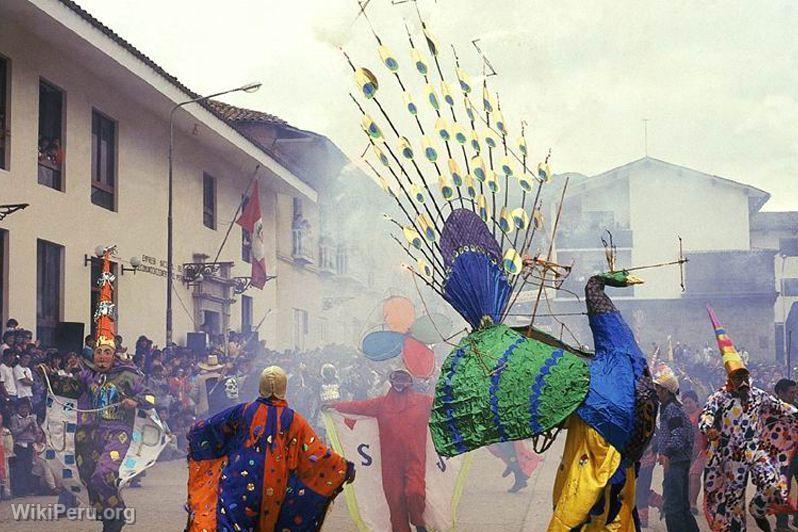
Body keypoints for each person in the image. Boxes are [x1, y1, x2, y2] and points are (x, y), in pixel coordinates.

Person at [37, 248, 157, 532]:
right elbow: (68, 388)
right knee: (91, 479)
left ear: (113, 353)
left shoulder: (127, 375)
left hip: (117, 432)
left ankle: (117, 513)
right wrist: (49, 377)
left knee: (105, 473)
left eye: (106, 352)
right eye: (99, 352)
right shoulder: (86, 374)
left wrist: (134, 401)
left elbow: (150, 396)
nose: (102, 356)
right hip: (87, 433)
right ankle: (109, 520)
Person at [185, 365, 355, 531]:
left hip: (238, 481)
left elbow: (209, 429)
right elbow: (315, 452)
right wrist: (343, 468)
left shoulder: (243, 410)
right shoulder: (293, 419)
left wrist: (193, 433)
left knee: (232, 523)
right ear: (284, 388)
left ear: (261, 387)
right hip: (273, 489)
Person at [699, 306, 798, 532]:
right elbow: (706, 416)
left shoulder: (757, 395)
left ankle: (758, 508)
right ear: (729, 377)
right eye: (737, 377)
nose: (742, 381)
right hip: (730, 454)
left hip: (754, 450)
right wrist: (708, 429)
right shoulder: (719, 397)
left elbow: (782, 407)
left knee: (773, 484)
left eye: (744, 376)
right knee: (734, 502)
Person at [329, 368, 432, 532]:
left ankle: (419, 523)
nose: (399, 383)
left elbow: (444, 406)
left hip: (414, 460)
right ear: (391, 381)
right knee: (395, 501)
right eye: (396, 379)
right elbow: (358, 407)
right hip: (391, 463)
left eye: (403, 379)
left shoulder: (423, 402)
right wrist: (336, 406)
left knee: (415, 492)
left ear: (410, 382)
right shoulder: (381, 404)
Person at [653, 368, 699, 532]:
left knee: (673, 508)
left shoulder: (672, 409)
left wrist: (666, 453)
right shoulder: (672, 408)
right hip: (680, 463)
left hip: (676, 464)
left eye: (658, 388)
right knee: (682, 507)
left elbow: (678, 436)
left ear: (666, 391)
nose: (656, 391)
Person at [771, 379, 798, 532]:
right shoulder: (772, 411)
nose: (794, 396)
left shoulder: (796, 408)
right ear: (780, 393)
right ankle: (781, 525)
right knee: (782, 489)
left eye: (795, 392)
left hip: (796, 454)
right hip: (779, 456)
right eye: (791, 393)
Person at [681, 389, 706, 515]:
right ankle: (686, 502)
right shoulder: (682, 415)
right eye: (685, 403)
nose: (687, 405)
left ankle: (693, 504)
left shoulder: (702, 415)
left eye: (689, 402)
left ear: (696, 403)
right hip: (687, 451)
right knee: (686, 476)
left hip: (702, 450)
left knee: (694, 475)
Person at [9, 399, 39, 497]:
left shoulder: (31, 418)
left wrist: (34, 427)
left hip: (30, 445)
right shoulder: (15, 418)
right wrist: (26, 426)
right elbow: (14, 432)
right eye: (22, 408)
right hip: (19, 445)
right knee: (20, 469)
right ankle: (19, 491)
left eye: (26, 408)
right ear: (18, 409)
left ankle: (26, 490)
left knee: (28, 468)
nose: (24, 410)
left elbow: (37, 433)